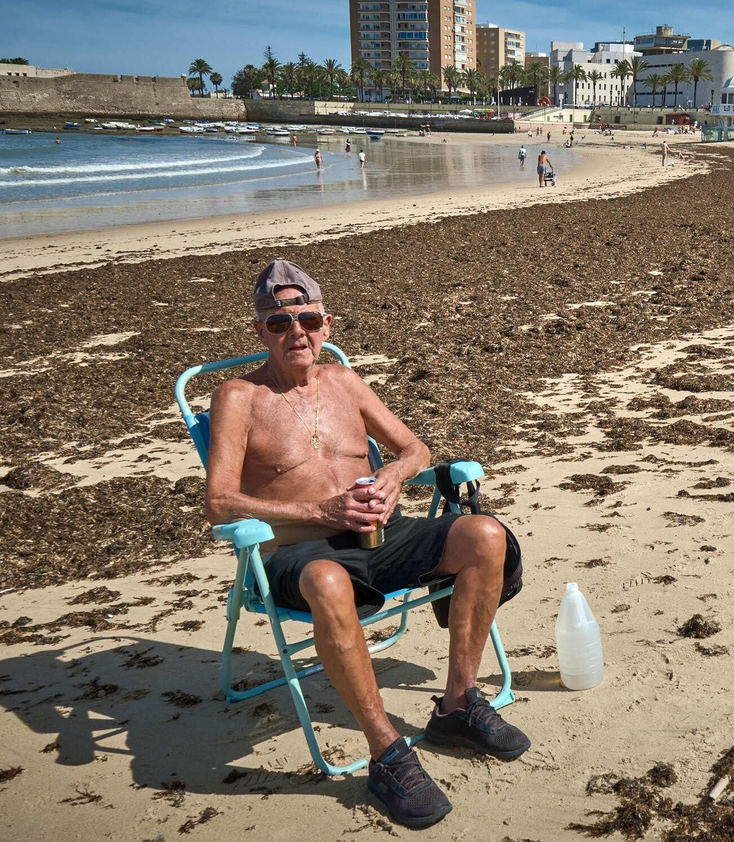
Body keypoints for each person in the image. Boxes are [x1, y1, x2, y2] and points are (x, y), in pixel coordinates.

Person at [206, 260, 529, 829]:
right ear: (260, 331)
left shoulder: (344, 382)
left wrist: (394, 477)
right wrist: (319, 510)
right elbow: (221, 503)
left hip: (382, 534)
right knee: (329, 579)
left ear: (326, 325)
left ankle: (458, 703)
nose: (295, 332)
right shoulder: (239, 397)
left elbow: (416, 448)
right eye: (279, 322)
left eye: (306, 318)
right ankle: (385, 749)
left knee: (485, 533)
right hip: (301, 554)